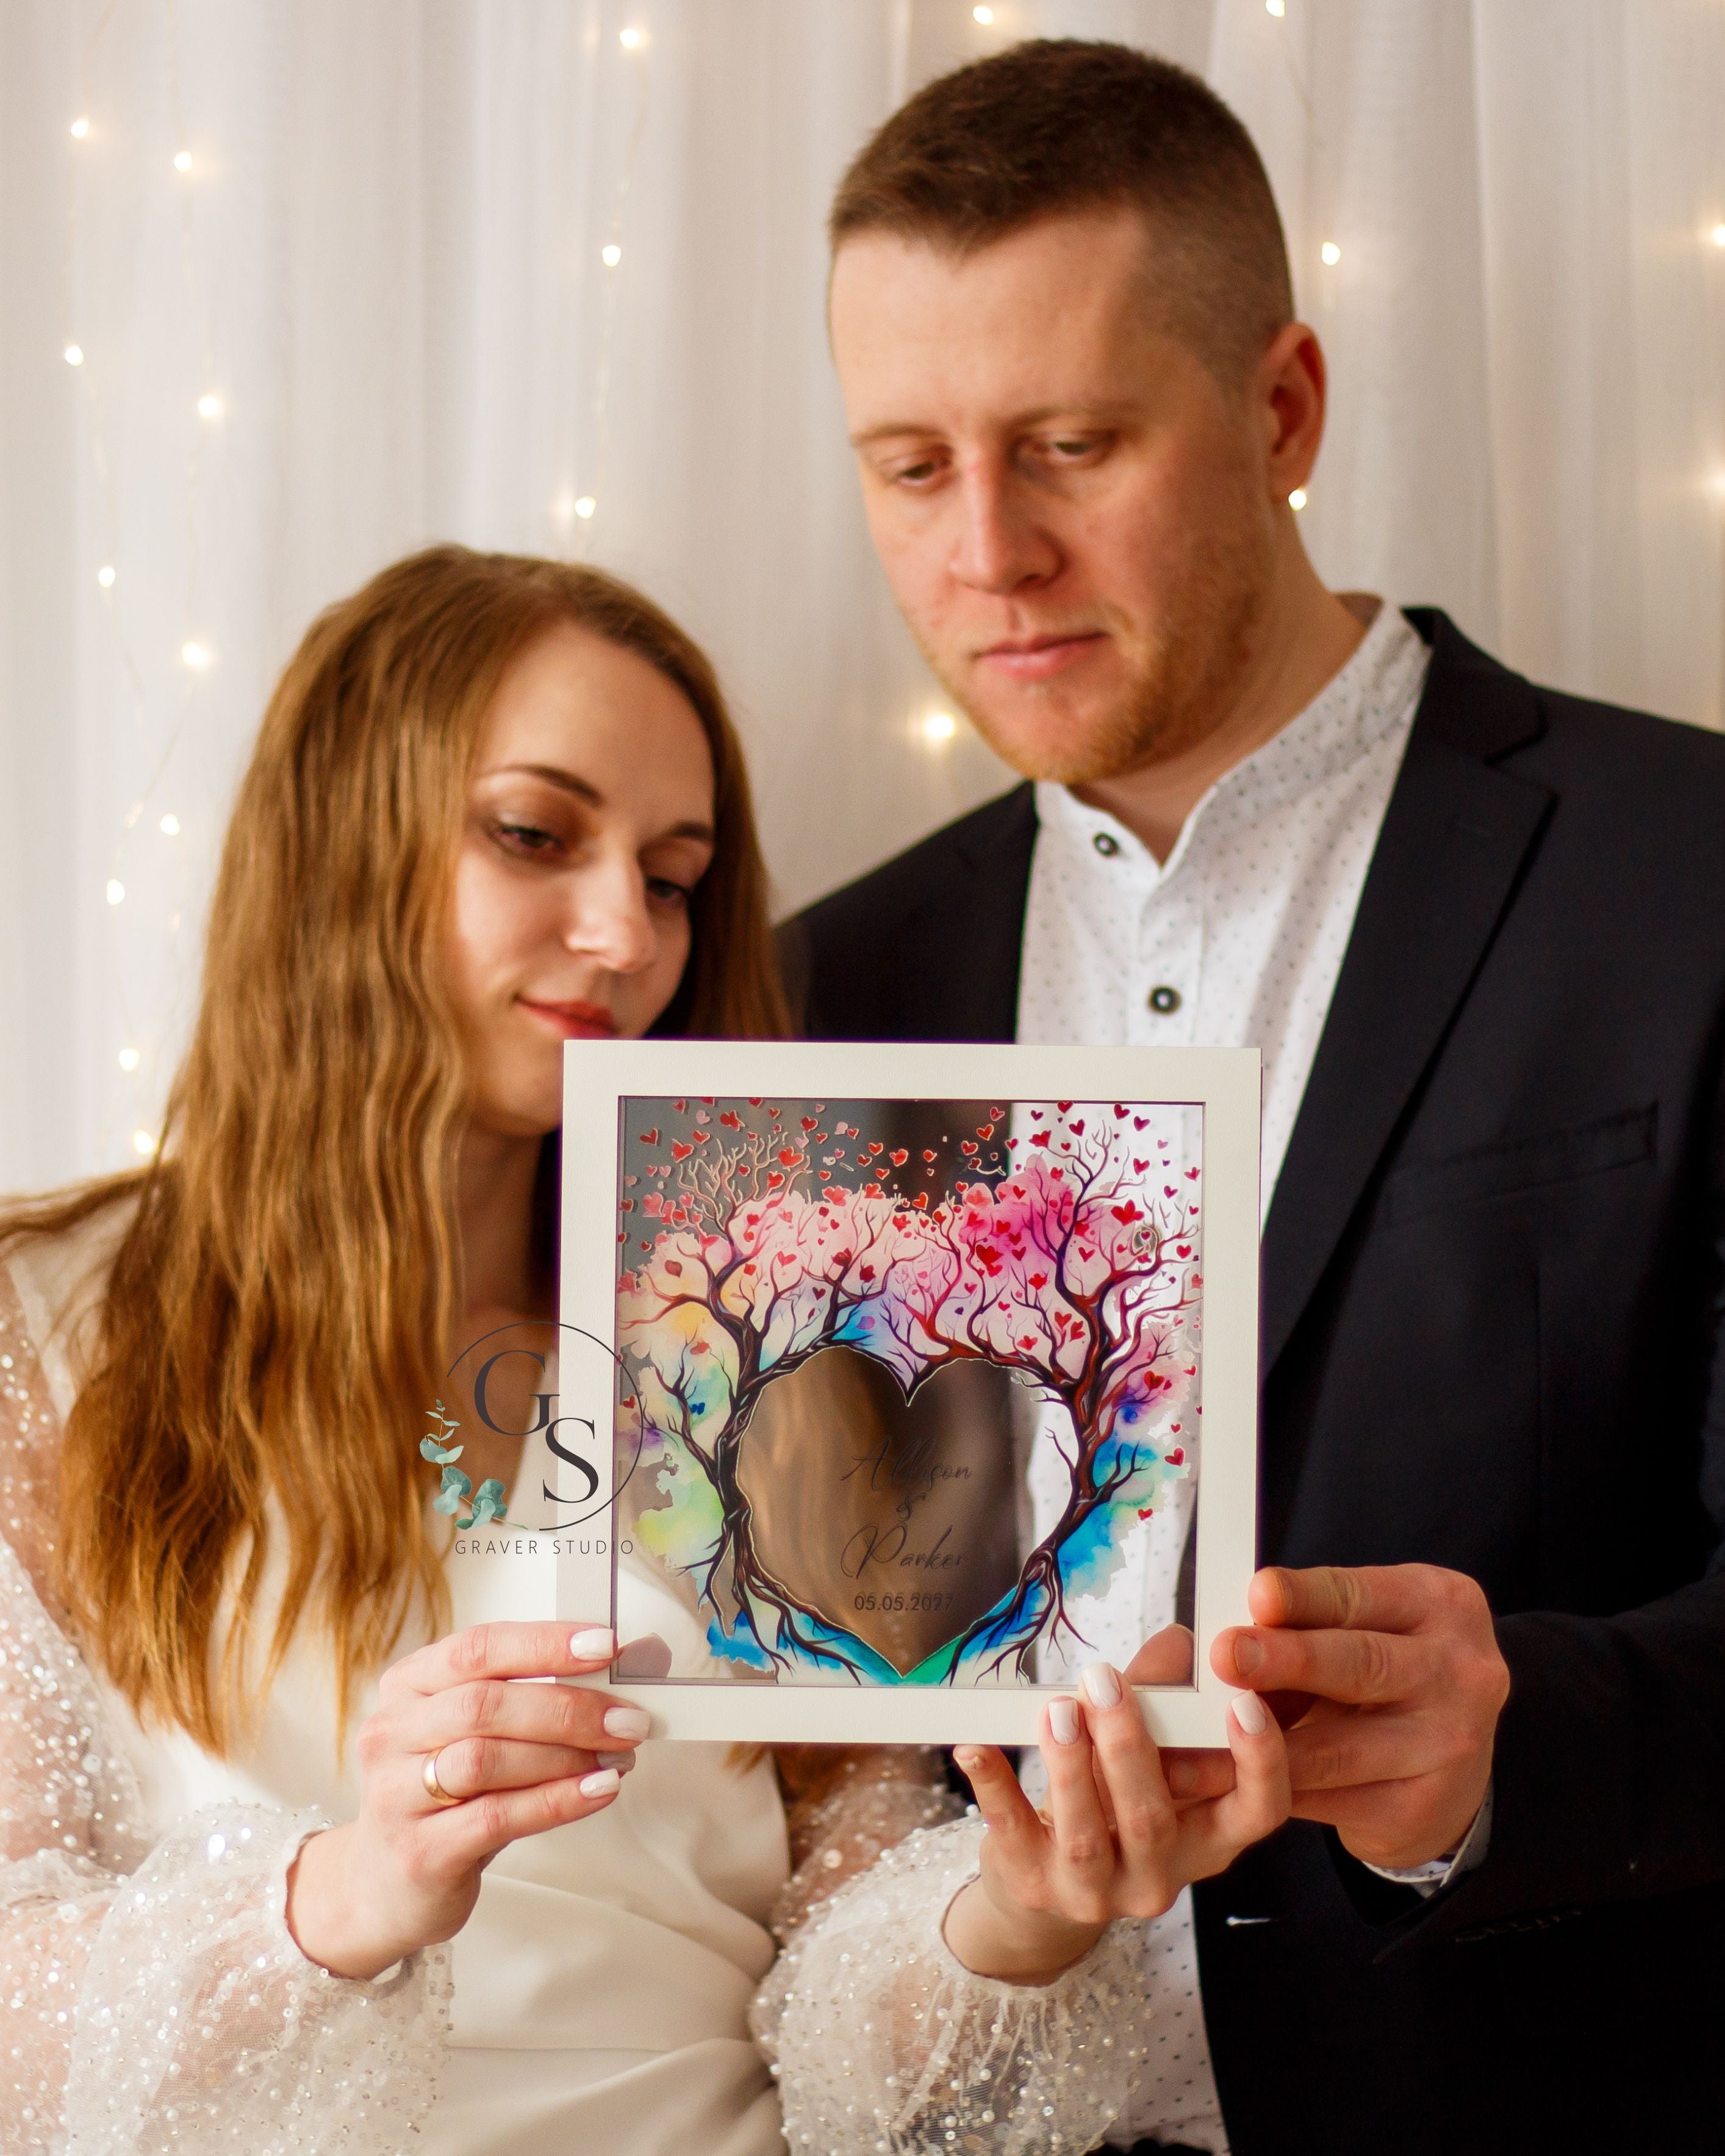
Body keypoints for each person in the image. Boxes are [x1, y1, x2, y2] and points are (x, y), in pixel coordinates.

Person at [0, 541, 1289, 2155]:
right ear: (341, 841)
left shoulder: (773, 1335)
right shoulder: (40, 1332)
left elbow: (836, 2013)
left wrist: (1019, 1917)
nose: (624, 934)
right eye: (535, 835)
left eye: (672, 875)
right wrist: (342, 1895)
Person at [784, 38, 1725, 2156]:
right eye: (909, 468)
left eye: (1069, 443)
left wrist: (1513, 1755)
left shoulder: (1690, 876)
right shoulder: (818, 998)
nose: (991, 553)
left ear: (1283, 408)